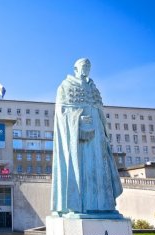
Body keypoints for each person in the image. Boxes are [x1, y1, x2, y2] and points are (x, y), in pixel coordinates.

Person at [50, 58, 123, 217]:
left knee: (99, 168)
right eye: (84, 65)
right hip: (78, 139)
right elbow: (61, 113)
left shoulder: (94, 88)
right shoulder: (65, 86)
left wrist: (103, 132)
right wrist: (77, 120)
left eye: (89, 66)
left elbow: (100, 112)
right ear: (76, 68)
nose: (87, 68)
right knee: (80, 168)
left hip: (97, 138)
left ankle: (103, 206)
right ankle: (77, 206)